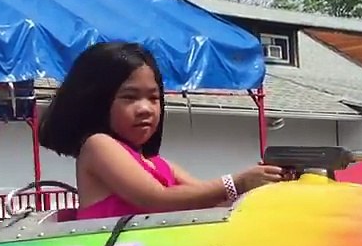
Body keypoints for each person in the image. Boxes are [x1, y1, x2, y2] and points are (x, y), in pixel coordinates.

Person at [38, 42, 282, 220]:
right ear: (96, 101)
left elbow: (215, 199)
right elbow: (156, 199)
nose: (145, 109)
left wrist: (264, 182)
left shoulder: (161, 165)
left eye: (154, 98)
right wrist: (237, 181)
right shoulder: (98, 145)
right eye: (130, 97)